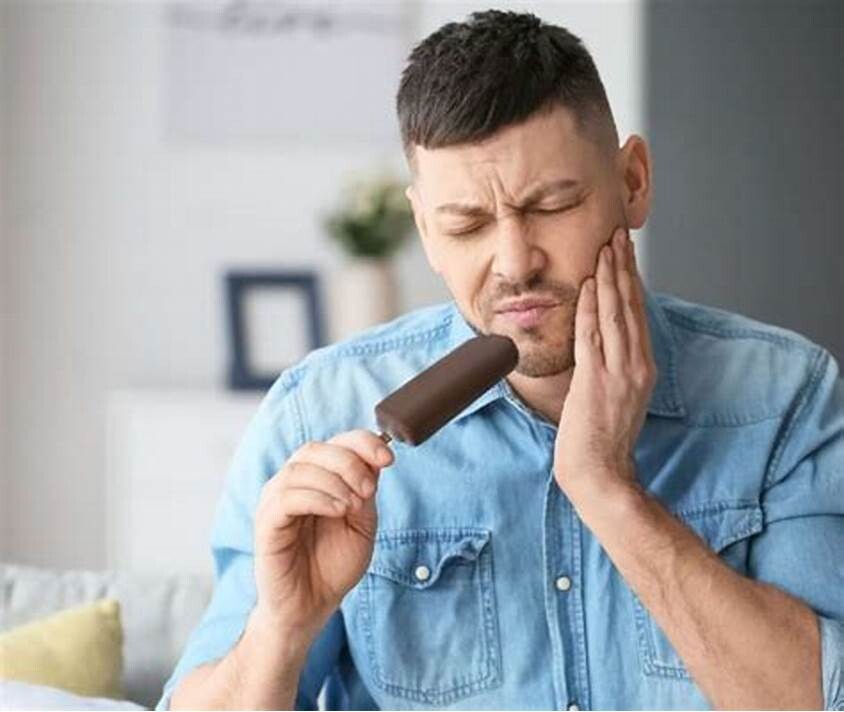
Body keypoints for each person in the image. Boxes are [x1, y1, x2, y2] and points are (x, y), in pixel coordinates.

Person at [159, 10, 843, 710]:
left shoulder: (785, 400)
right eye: (467, 225)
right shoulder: (318, 413)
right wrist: (281, 629)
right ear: (426, 230)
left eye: (552, 205)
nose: (515, 263)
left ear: (633, 182)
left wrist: (609, 492)